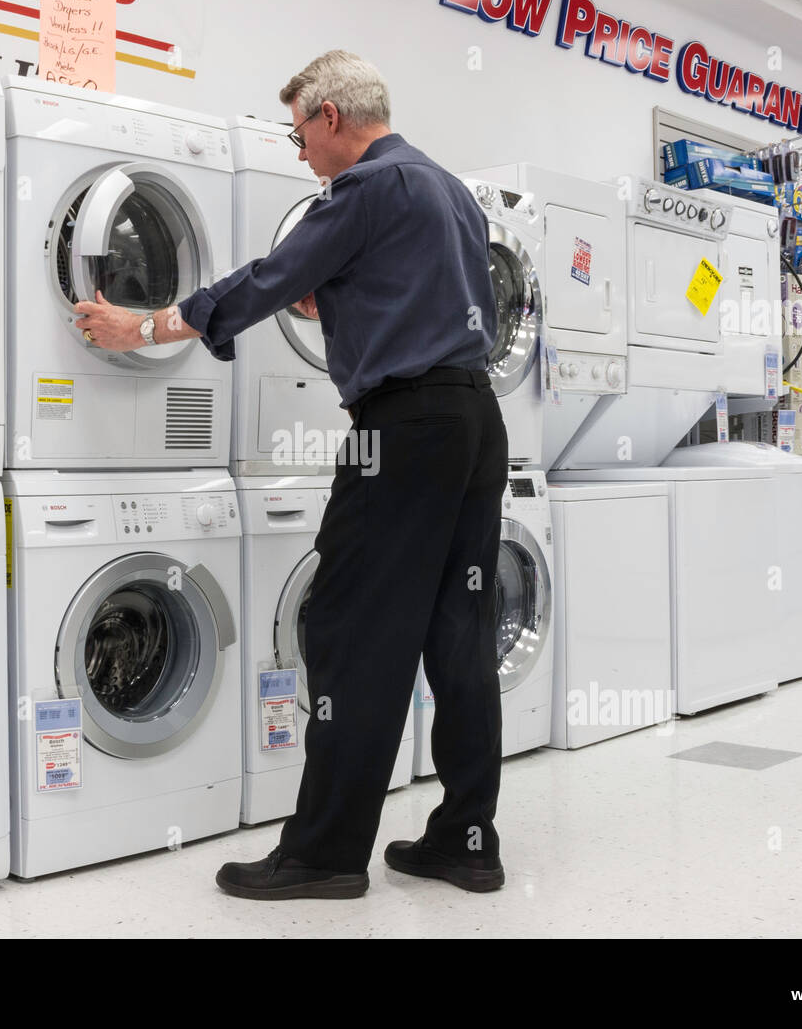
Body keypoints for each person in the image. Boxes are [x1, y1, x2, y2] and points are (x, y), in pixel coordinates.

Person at [74, 50, 509, 900]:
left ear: (330, 117)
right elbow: (423, 296)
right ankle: (466, 837)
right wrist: (341, 294)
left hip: (404, 429)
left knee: (350, 631)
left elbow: (270, 280)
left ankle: (326, 851)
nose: (298, 150)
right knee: (460, 635)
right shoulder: (448, 189)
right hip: (473, 421)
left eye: (298, 131)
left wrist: (146, 326)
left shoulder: (364, 189)